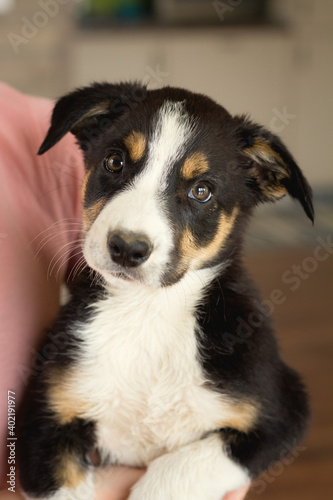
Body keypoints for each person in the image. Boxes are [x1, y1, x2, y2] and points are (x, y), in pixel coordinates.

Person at [0, 83, 249, 500]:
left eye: (199, 190)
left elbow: (270, 423)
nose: (133, 234)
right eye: (117, 163)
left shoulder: (18, 122)